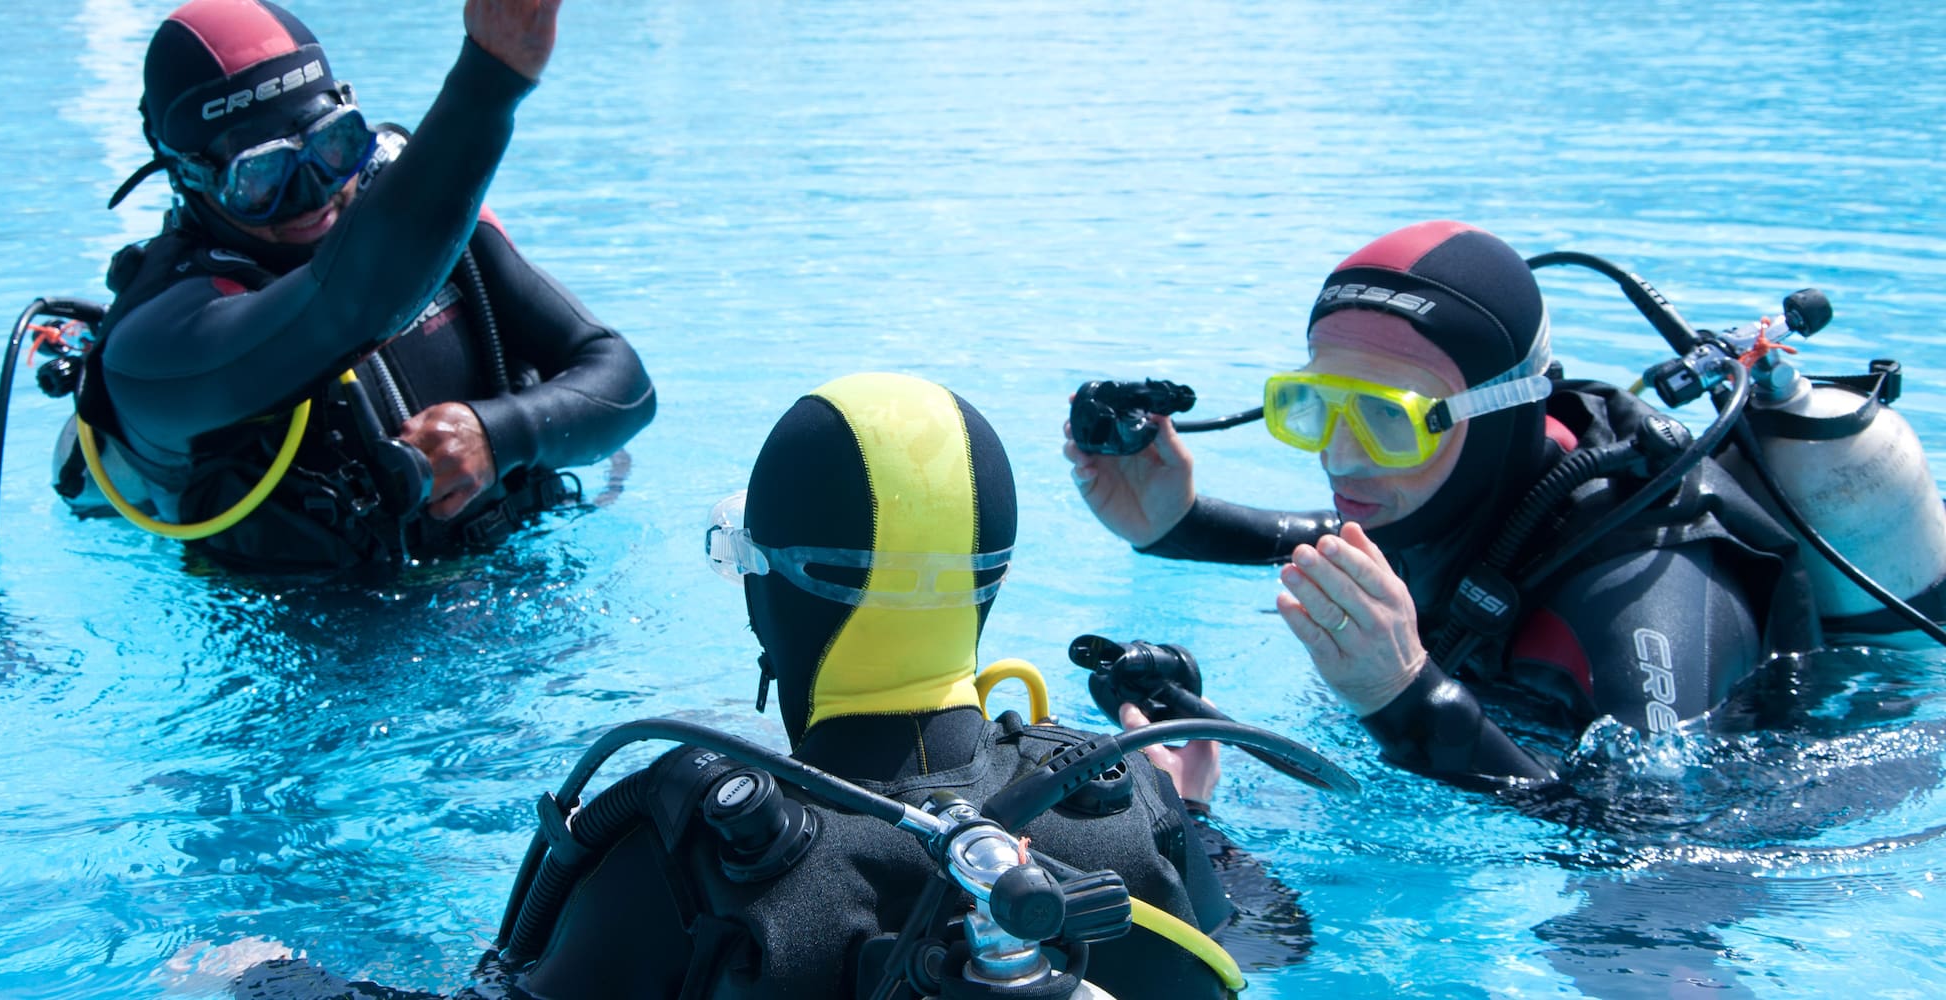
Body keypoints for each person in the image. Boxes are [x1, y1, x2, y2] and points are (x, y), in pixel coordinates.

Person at [500, 372, 1263, 998]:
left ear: (765, 593)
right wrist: (1193, 818)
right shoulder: (1127, 805)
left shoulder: (676, 863)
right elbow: (1265, 950)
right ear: (994, 577)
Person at [1065, 220, 1820, 790]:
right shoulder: (1453, 494)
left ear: (1494, 416)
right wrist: (1179, 523)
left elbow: (1656, 850)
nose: (1340, 455)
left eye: (1387, 418)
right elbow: (1343, 536)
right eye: (1316, 406)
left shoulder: (1640, 597)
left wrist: (1405, 698)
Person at [67, 0, 654, 574]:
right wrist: (491, 78)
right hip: (310, 632)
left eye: (332, 145)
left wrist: (499, 434)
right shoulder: (157, 344)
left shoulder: (422, 217)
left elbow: (625, 383)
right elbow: (343, 308)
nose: (313, 194)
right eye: (263, 174)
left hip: (518, 573)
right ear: (190, 176)